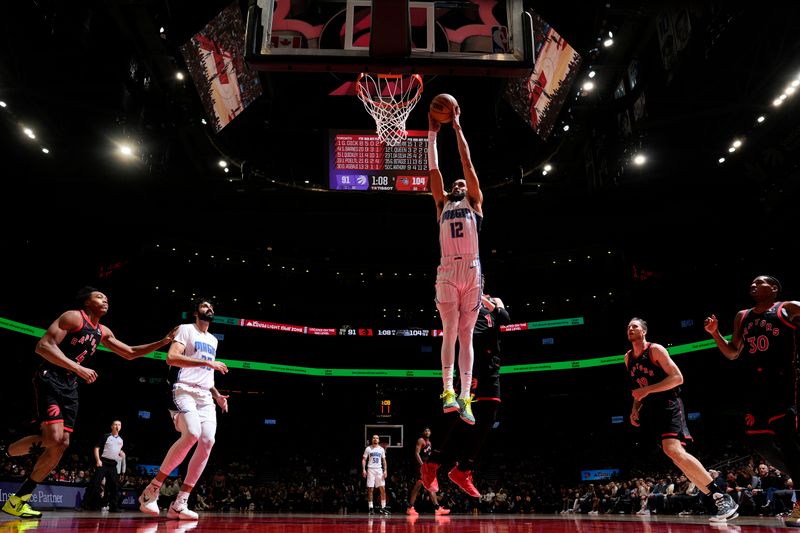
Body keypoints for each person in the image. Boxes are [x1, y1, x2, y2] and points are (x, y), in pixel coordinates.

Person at [1, 287, 177, 519]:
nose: (105, 299)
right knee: (53, 437)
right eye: (99, 296)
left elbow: (131, 352)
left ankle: (18, 500)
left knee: (62, 443)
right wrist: (78, 367)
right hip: (50, 377)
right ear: (86, 302)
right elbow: (42, 346)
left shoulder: (102, 331)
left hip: (70, 386)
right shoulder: (73, 317)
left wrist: (164, 341)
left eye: (106, 297)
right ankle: (5, 452)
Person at [703, 275, 800, 526]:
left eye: (761, 282)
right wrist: (715, 334)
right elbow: (733, 353)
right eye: (752, 282)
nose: (754, 285)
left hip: (784, 384)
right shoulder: (742, 316)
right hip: (756, 389)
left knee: (788, 442)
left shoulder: (788, 308)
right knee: (759, 441)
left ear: (775, 288)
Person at [625, 317, 739, 522]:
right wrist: (635, 409)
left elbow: (678, 378)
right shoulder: (628, 358)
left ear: (644, 332)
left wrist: (647, 390)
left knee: (674, 450)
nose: (630, 329)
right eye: (628, 327)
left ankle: (722, 496)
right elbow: (637, 390)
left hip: (669, 403)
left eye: (635, 326)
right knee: (676, 457)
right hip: (651, 410)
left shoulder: (655, 350)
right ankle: (718, 500)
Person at [138, 297, 229, 520]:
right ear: (196, 312)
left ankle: (180, 503)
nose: (210, 309)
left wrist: (217, 395)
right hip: (183, 389)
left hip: (205, 395)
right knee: (193, 434)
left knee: (208, 441)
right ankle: (152, 490)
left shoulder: (213, 340)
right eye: (205, 306)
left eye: (212, 307)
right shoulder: (186, 330)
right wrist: (208, 364)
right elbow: (171, 358)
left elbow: (207, 375)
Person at [423, 277, 508, 498]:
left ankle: (462, 470)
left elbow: (505, 319)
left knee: (488, 419)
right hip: (472, 365)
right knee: (456, 415)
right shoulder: (463, 301)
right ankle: (431, 464)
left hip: (492, 367)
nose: (476, 281)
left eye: (479, 278)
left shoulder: (494, 300)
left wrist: (484, 300)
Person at [428, 103, 484, 425]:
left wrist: (458, 127)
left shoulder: (474, 202)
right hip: (448, 269)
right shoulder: (441, 203)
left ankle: (466, 398)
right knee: (450, 330)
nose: (458, 185)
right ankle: (448, 391)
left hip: (473, 271)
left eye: (463, 183)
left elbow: (467, 163)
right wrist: (432, 135)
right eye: (456, 184)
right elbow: (434, 171)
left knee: (467, 334)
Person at [81, 420, 125, 511]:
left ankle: (113, 506)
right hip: (103, 462)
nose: (117, 426)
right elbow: (96, 448)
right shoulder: (106, 436)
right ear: (112, 426)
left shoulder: (121, 440)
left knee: (115, 486)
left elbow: (116, 451)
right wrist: (98, 460)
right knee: (94, 483)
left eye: (119, 425)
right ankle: (84, 504)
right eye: (115, 424)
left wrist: (120, 453)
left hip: (113, 464)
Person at [407, 428, 449, 515]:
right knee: (420, 486)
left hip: (428, 467)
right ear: (423, 432)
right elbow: (417, 453)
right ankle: (411, 507)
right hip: (421, 467)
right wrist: (422, 465)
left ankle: (436, 508)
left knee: (427, 486)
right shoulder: (421, 440)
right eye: (425, 431)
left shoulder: (429, 443)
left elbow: (428, 457)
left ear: (431, 432)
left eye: (429, 431)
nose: (427, 432)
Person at [361, 434, 389, 515]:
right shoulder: (368, 449)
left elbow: (384, 461)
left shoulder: (381, 449)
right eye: (374, 438)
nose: (375, 439)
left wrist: (385, 470)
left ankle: (383, 508)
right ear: (372, 439)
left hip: (379, 470)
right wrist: (363, 469)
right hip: (370, 470)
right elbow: (364, 460)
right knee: (370, 489)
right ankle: (371, 508)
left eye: (377, 438)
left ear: (379, 440)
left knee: (382, 489)